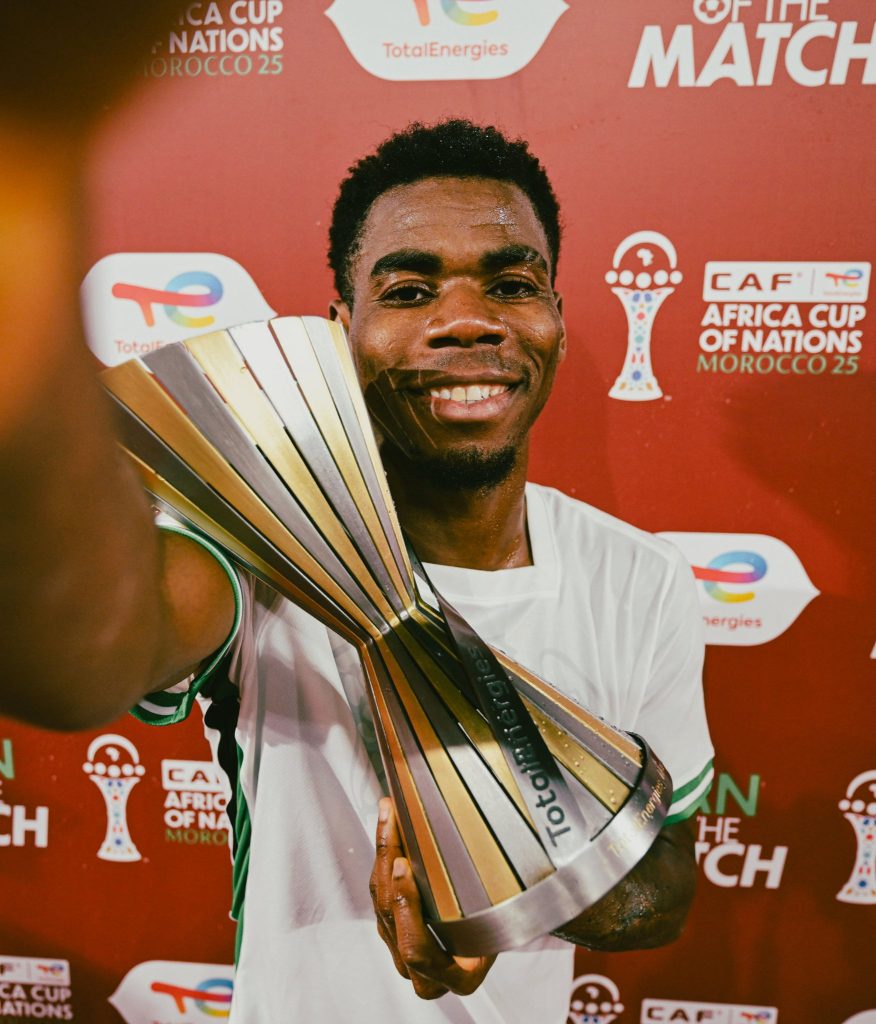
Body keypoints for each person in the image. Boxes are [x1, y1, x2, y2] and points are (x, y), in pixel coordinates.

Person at [0, 20, 713, 1017]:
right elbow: (86, 652)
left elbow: (666, 880)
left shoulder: (640, 579)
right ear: (342, 331)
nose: (467, 319)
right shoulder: (256, 554)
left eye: (510, 283)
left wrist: (512, 889)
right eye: (410, 288)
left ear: (555, 315)